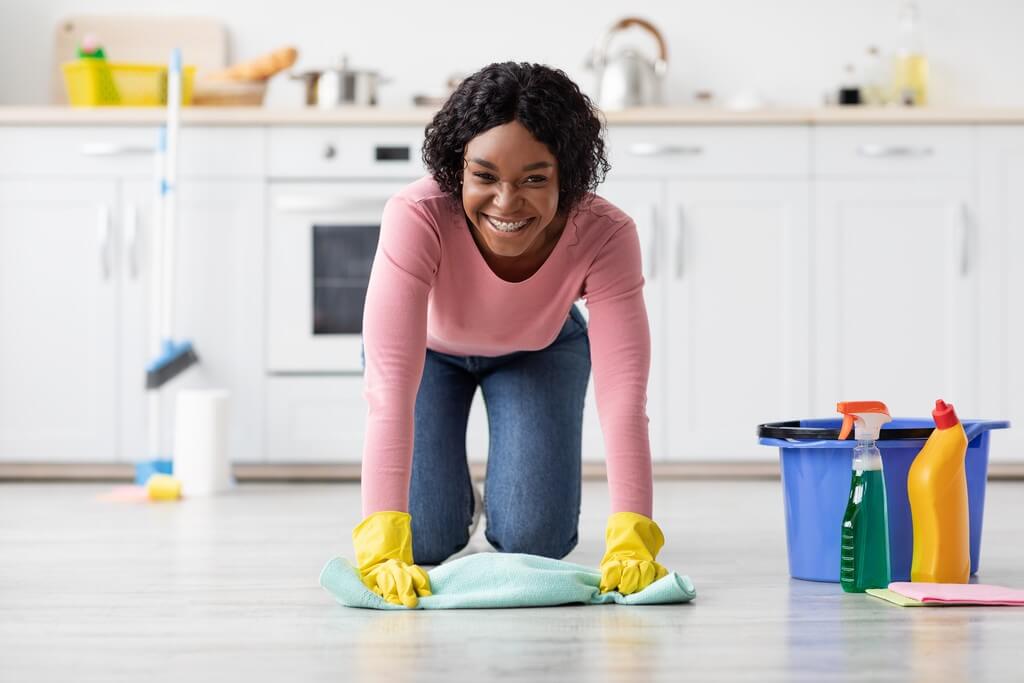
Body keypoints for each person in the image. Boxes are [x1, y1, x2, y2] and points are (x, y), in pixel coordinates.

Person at [351, 62, 670, 607]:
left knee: (535, 541)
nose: (505, 201)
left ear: (566, 175)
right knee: (424, 539)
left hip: (539, 349)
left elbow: (624, 401)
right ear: (457, 170)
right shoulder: (417, 214)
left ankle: (502, 488)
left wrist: (634, 533)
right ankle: (458, 496)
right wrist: (382, 541)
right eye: (484, 176)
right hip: (428, 353)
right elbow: (390, 393)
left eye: (533, 179)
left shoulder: (606, 232)